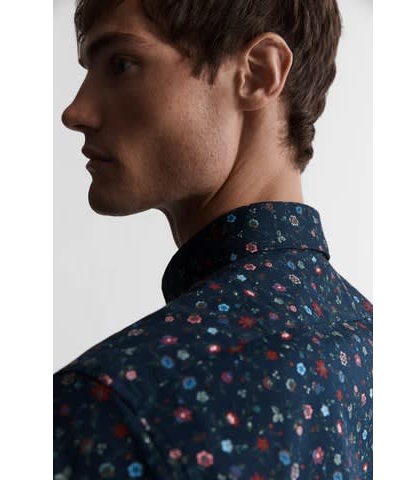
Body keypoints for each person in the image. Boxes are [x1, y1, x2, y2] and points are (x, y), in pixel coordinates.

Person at [54, 0, 373, 478]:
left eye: (121, 64)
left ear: (259, 73)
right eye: (88, 69)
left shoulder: (108, 406)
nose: (75, 112)